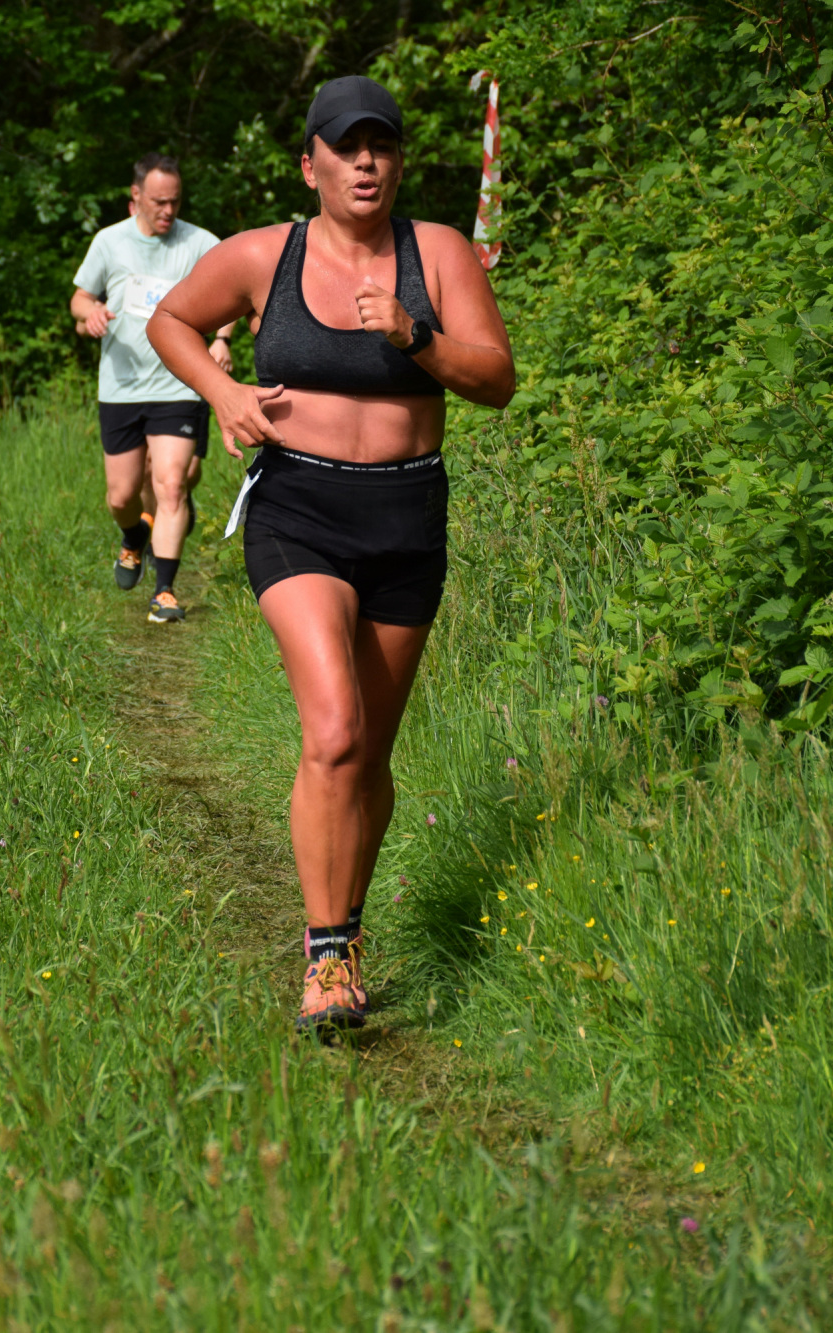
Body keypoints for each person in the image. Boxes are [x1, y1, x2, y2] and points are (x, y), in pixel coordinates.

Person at [149, 77, 514, 1031]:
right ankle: (324, 956)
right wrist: (225, 396)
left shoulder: (436, 254)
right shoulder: (263, 254)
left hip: (406, 516)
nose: (365, 163)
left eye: (380, 146)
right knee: (336, 731)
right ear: (309, 163)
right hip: (299, 509)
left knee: (371, 755)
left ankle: (347, 929)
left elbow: (496, 380)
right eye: (346, 148)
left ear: (399, 161)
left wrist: (414, 335)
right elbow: (170, 322)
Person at [72, 152, 238, 623]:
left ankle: (164, 591)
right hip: (122, 386)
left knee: (170, 484)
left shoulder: (201, 243)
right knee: (122, 496)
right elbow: (79, 298)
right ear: (136, 196)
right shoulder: (110, 242)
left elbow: (234, 291)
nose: (168, 211)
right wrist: (91, 312)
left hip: (179, 384)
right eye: (159, 202)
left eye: (175, 202)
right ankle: (132, 537)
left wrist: (222, 339)